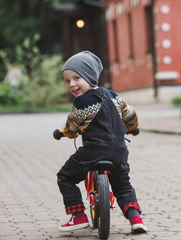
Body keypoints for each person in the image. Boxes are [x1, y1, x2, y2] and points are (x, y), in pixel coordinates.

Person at [56, 51, 147, 234]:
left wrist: (64, 133)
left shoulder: (82, 102)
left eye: (76, 78)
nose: (72, 84)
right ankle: (135, 218)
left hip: (94, 150)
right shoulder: (113, 96)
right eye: (67, 81)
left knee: (65, 176)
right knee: (122, 185)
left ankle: (78, 216)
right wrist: (132, 127)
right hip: (119, 150)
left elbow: (73, 126)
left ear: (90, 76)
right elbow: (130, 114)